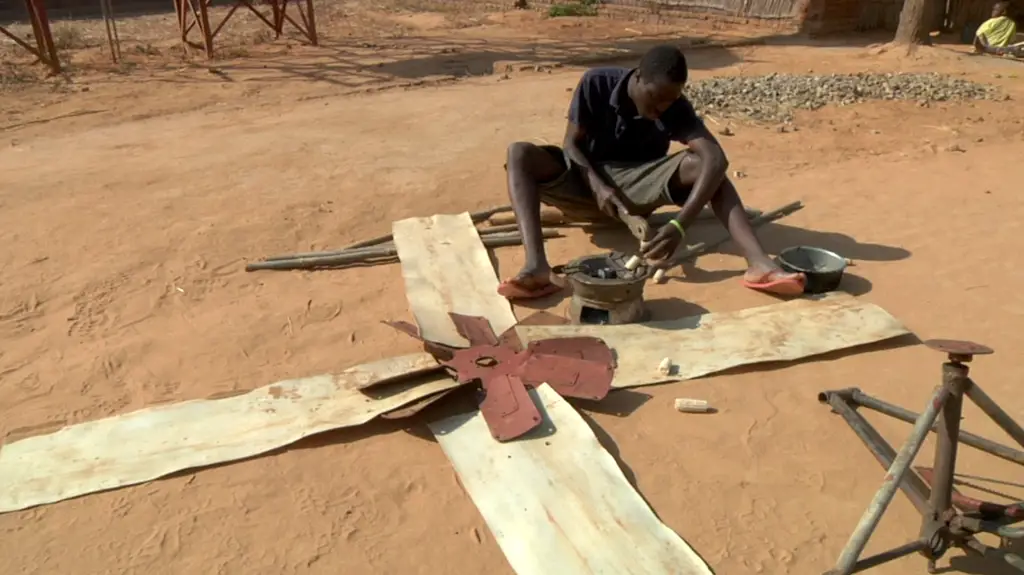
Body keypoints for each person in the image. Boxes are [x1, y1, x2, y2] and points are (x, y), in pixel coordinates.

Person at [497, 44, 805, 300]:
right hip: (585, 183)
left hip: (640, 186)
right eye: (656, 97)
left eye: (671, 100)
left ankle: (759, 264)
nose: (663, 107)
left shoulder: (675, 106)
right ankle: (537, 268)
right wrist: (598, 186)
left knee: (707, 168)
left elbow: (716, 159)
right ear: (638, 77)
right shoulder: (596, 82)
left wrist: (680, 225)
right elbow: (570, 146)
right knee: (519, 152)